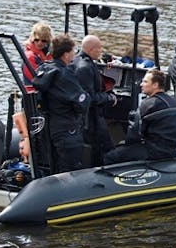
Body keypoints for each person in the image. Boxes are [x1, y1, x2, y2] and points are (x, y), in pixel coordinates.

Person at [32, 33, 90, 173]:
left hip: (48, 128)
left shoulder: (43, 70)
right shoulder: (64, 75)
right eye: (72, 52)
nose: (74, 55)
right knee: (70, 170)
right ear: (65, 55)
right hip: (66, 130)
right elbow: (82, 102)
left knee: (53, 167)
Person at [104, 69, 176, 164]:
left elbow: (134, 134)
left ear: (155, 85)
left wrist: (123, 145)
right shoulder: (174, 102)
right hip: (174, 150)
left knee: (111, 156)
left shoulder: (148, 104)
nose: (141, 84)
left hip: (156, 151)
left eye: (145, 81)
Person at [71, 35, 117, 167]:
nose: (100, 51)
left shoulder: (76, 61)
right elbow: (89, 98)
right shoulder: (85, 68)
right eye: (99, 49)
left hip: (84, 117)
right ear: (91, 50)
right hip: (90, 118)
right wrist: (109, 98)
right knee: (104, 147)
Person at [22, 21, 53, 91]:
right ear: (32, 39)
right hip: (33, 95)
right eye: (37, 40)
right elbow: (35, 79)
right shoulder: (29, 56)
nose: (40, 43)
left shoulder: (49, 53)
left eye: (43, 40)